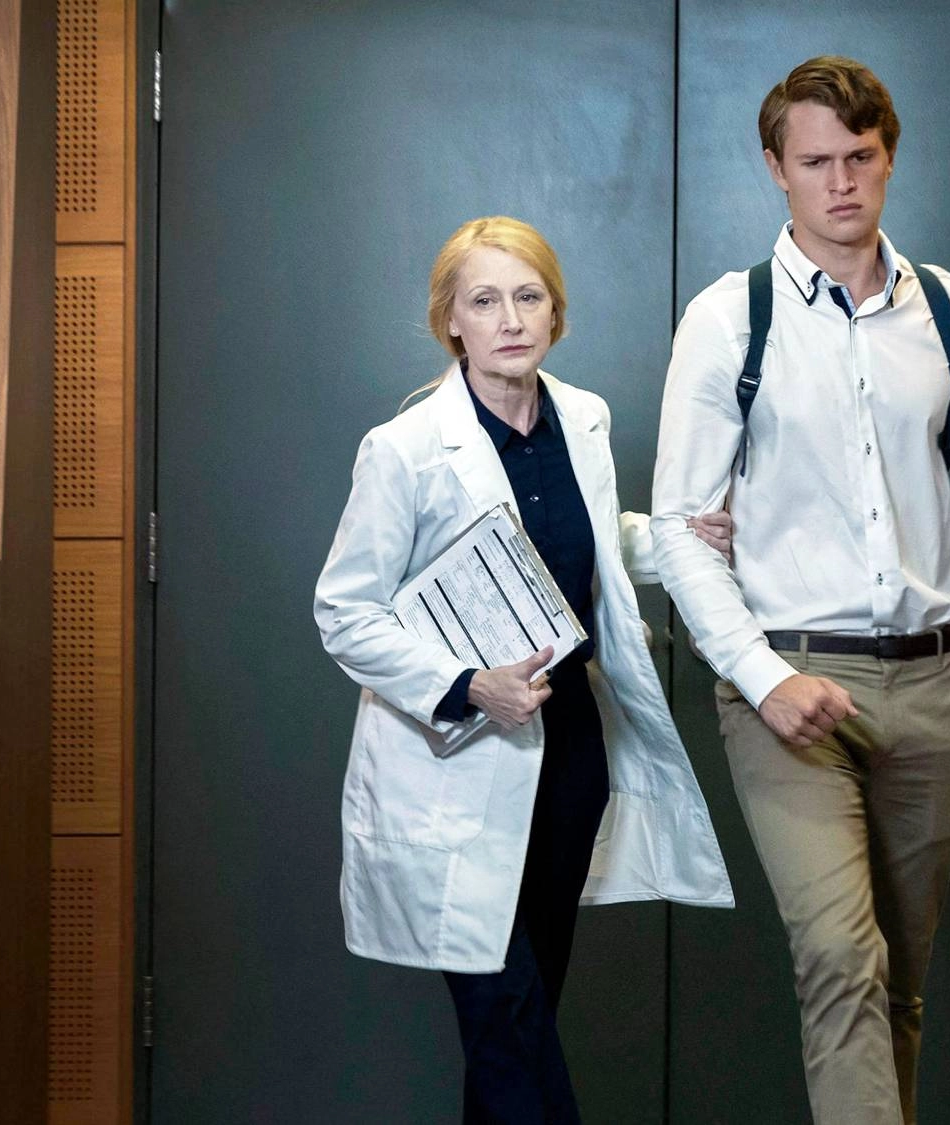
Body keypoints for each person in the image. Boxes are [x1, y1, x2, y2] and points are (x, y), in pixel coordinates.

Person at [650, 56, 950, 1124]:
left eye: (859, 157)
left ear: (889, 157)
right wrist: (762, 679)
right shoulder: (730, 320)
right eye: (814, 161)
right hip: (790, 687)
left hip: (933, 688)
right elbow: (681, 531)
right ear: (774, 167)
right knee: (838, 957)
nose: (840, 183)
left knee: (896, 984)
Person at [314, 216, 734, 1124]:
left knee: (524, 1013)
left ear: (556, 313)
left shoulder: (583, 418)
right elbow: (344, 612)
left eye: (528, 296)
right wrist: (471, 686)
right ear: (451, 321)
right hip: (458, 759)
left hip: (569, 751)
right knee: (505, 1015)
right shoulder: (405, 449)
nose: (509, 318)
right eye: (485, 300)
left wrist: (673, 540)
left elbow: (584, 540)